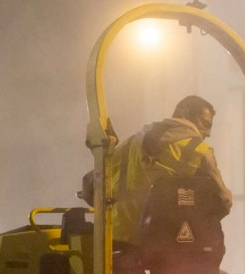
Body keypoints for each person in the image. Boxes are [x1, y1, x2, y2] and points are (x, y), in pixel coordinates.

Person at [82, 94, 232, 254]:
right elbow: (224, 201)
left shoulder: (129, 145)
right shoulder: (200, 151)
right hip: (168, 248)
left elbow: (90, 185)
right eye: (205, 124)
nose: (207, 133)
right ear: (185, 112)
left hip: (118, 244)